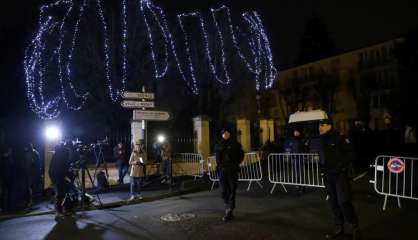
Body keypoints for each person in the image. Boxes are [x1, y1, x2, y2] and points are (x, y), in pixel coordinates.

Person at [318, 119, 361, 240]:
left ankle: (354, 227)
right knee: (333, 203)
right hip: (327, 176)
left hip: (339, 176)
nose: (320, 127)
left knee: (344, 202)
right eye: (319, 125)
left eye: (322, 125)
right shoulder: (321, 140)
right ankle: (339, 227)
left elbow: (351, 154)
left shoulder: (339, 138)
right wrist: (322, 170)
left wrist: (340, 166)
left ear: (329, 126)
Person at [215, 126, 244, 221]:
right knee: (224, 191)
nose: (225, 134)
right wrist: (218, 168)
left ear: (230, 134)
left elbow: (241, 155)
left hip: (232, 170)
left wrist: (235, 164)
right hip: (222, 171)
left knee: (232, 190)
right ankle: (228, 205)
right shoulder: (218, 145)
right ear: (222, 134)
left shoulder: (235, 144)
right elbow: (217, 158)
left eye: (227, 132)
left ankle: (229, 210)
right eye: (224, 133)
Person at [48, 143, 71, 216]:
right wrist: (68, 174)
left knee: (61, 192)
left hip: (56, 175)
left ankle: (61, 209)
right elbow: (63, 167)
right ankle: (59, 210)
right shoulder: (63, 155)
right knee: (60, 193)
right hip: (57, 175)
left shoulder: (59, 154)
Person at [284, 128, 306, 193]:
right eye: (295, 132)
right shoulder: (292, 140)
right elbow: (289, 148)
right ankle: (298, 186)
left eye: (297, 132)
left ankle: (302, 186)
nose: (296, 133)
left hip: (300, 158)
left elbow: (304, 148)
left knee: (301, 173)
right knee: (296, 173)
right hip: (294, 159)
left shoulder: (301, 140)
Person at [23, 143, 40, 207]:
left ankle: (30, 201)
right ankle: (30, 201)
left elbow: (33, 163)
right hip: (31, 172)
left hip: (31, 172)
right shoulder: (35, 153)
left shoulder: (33, 153)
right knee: (30, 187)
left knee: (30, 187)